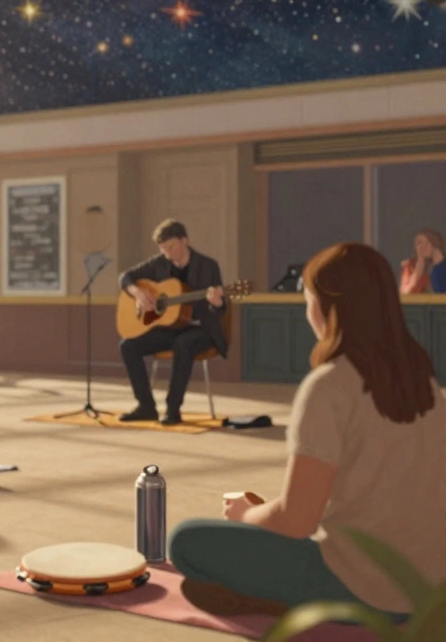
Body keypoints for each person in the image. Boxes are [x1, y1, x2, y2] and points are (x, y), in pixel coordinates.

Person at [168, 242, 445, 622]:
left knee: (186, 540)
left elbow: (298, 522)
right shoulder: (427, 384)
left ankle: (295, 604)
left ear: (330, 308)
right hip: (428, 586)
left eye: (308, 298)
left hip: (363, 587)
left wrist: (247, 514)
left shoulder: (329, 387)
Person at [117, 219, 228, 425]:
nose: (167, 253)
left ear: (184, 241)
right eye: (163, 248)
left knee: (183, 344)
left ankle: (173, 409)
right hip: (169, 328)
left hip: (200, 329)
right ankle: (146, 407)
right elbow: (125, 277)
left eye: (171, 247)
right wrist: (138, 293)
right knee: (128, 345)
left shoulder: (207, 266)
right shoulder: (160, 263)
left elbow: (220, 311)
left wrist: (216, 302)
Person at [399, 228, 446, 295]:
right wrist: (418, 270)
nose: (423, 246)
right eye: (419, 243)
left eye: (427, 242)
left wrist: (439, 263)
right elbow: (404, 293)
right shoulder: (410, 265)